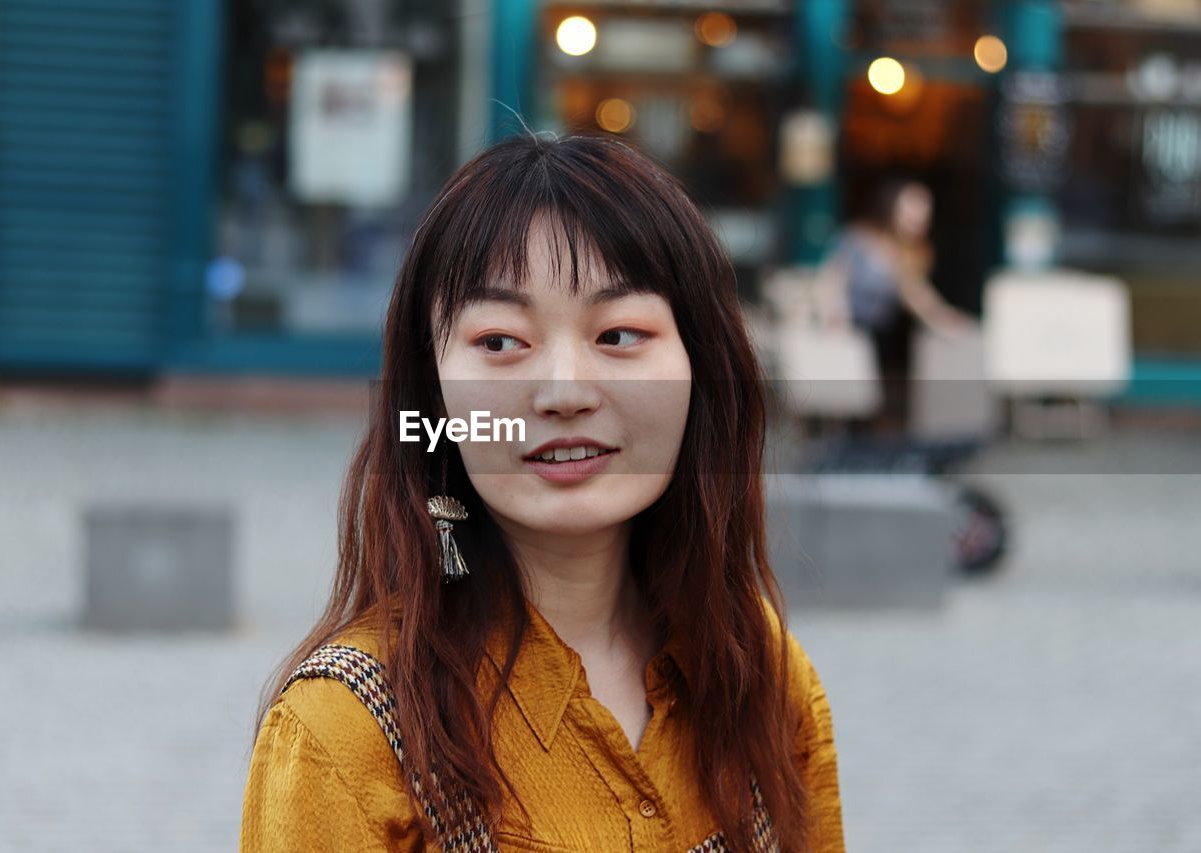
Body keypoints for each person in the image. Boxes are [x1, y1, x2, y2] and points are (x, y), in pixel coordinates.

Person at [240, 134, 845, 852]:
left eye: (619, 333)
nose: (563, 391)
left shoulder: (763, 674)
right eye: (500, 342)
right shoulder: (344, 734)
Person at [816, 179, 976, 431]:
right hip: (848, 331)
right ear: (892, 209)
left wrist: (944, 318)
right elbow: (832, 281)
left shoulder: (915, 252)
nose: (918, 218)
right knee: (845, 402)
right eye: (912, 210)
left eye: (924, 211)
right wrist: (836, 318)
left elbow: (915, 294)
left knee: (871, 403)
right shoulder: (858, 239)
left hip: (881, 338)